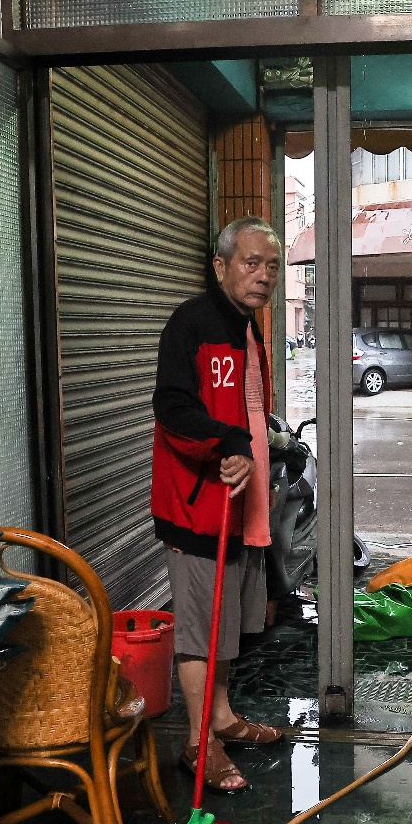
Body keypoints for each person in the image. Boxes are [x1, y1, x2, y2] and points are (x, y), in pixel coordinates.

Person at [151, 216, 285, 793]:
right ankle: (198, 743)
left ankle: (223, 718)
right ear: (221, 266)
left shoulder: (247, 326)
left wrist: (261, 444)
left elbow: (247, 411)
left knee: (228, 622)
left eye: (272, 266)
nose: (263, 276)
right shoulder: (192, 323)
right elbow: (174, 408)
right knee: (201, 630)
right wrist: (227, 444)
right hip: (199, 503)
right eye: (251, 263)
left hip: (244, 502)